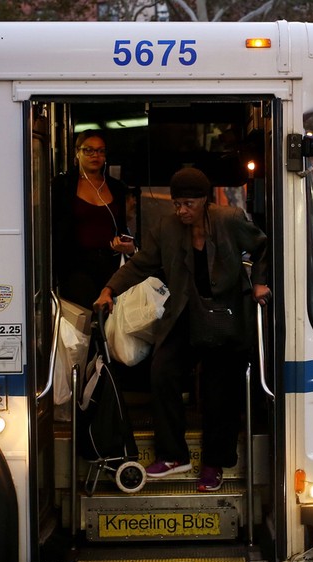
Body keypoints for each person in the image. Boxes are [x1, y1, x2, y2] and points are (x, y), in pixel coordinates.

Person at [93, 167, 271, 492]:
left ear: (204, 201)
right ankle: (174, 455)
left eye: (188, 204)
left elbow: (262, 246)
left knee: (221, 388)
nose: (182, 210)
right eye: (177, 204)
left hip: (226, 315)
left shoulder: (229, 218)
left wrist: (259, 282)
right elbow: (142, 263)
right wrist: (110, 290)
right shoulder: (167, 226)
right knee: (163, 370)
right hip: (185, 313)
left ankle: (214, 464)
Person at [53, 130, 135, 307]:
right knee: (83, 317)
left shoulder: (116, 187)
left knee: (111, 316)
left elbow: (122, 225)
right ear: (77, 152)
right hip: (74, 265)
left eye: (100, 151)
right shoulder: (63, 185)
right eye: (88, 150)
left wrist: (127, 245)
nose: (95, 155)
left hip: (110, 263)